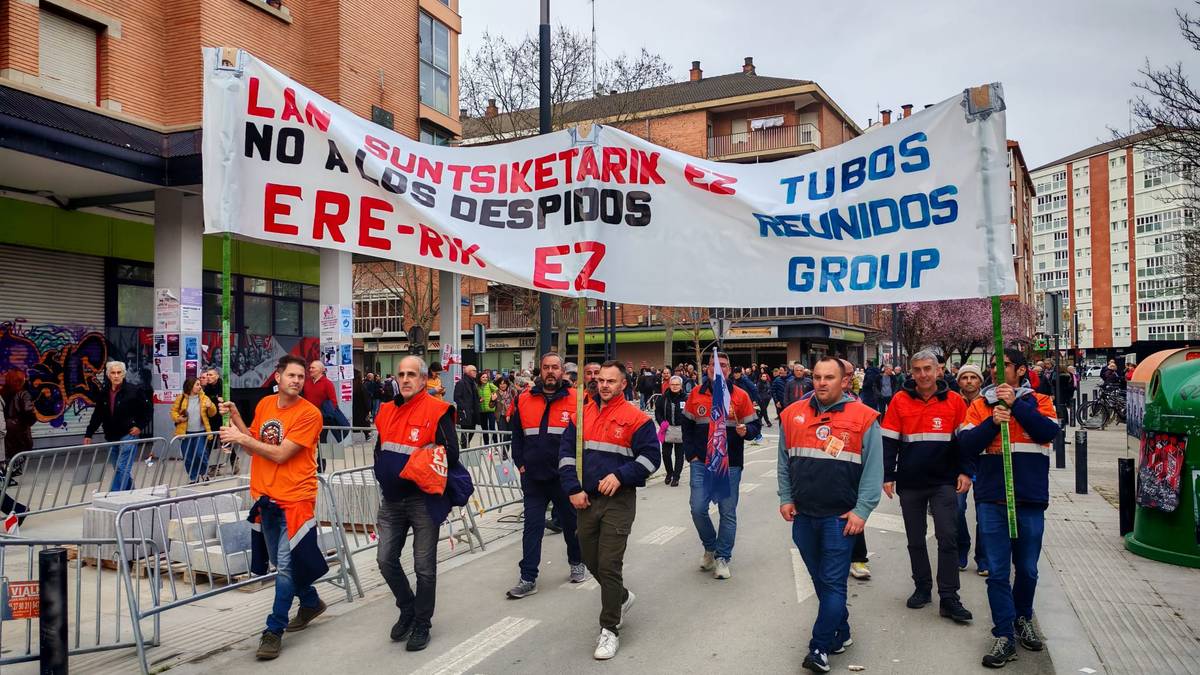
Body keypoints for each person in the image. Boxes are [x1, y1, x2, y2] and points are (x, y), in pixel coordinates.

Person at [777, 357, 883, 673]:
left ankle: (819, 648)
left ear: (844, 381)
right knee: (821, 581)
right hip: (804, 517)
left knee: (833, 583)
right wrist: (785, 498)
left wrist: (861, 511)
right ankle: (842, 631)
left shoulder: (865, 418)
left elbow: (873, 471)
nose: (822, 383)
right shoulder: (790, 414)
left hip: (840, 519)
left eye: (829, 377)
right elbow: (784, 461)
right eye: (817, 377)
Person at [216, 355, 326, 661]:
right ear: (277, 377)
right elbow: (254, 440)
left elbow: (279, 455)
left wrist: (239, 437)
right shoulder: (265, 405)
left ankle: (273, 630)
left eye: (301, 377)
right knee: (283, 565)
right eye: (291, 375)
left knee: (286, 568)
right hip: (266, 498)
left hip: (295, 500)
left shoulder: (309, 414)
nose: (296, 381)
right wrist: (237, 418)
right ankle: (311, 601)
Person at [958, 349, 1059, 668]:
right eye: (991, 366)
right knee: (998, 572)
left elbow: (1049, 433)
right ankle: (1003, 633)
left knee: (1027, 568)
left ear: (1021, 370)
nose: (994, 371)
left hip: (1029, 498)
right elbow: (966, 445)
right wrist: (992, 422)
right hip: (992, 498)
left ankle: (1022, 617)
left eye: (1003, 366)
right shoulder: (978, 405)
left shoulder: (1040, 401)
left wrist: (1016, 406)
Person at [559, 360, 660, 660]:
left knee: (608, 565)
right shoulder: (581, 414)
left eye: (610, 381)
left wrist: (621, 475)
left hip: (619, 501)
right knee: (590, 561)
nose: (603, 385)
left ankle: (609, 629)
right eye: (600, 380)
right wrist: (573, 489)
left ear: (623, 384)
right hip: (586, 500)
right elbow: (565, 455)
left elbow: (651, 459)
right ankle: (623, 597)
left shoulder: (637, 419)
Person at [369, 355, 460, 652]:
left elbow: (452, 454)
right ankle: (407, 607)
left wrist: (420, 464)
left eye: (412, 374)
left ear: (423, 380)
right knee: (385, 560)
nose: (406, 379)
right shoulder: (385, 410)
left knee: (424, 567)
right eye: (401, 374)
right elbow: (380, 447)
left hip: (422, 500)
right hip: (392, 501)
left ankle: (422, 622)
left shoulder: (437, 409)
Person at [880, 351, 973, 624]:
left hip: (944, 481)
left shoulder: (955, 401)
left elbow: (965, 442)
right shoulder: (899, 400)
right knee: (915, 539)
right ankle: (922, 587)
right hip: (911, 482)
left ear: (938, 371)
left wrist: (967, 472)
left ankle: (949, 597)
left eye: (928, 369)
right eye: (917, 370)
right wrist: (888, 475)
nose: (923, 375)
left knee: (947, 537)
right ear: (911, 372)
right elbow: (889, 441)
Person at [506, 353, 586, 599]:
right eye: (546, 367)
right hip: (533, 477)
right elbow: (517, 435)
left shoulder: (578, 399)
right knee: (532, 527)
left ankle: (577, 562)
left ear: (563, 370)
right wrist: (520, 463)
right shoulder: (524, 399)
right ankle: (528, 577)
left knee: (572, 524)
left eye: (555, 367)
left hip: (564, 477)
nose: (550, 371)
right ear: (539, 371)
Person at [681, 351, 760, 579]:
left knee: (727, 512)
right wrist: (691, 455)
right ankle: (710, 546)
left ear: (729, 369)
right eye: (714, 365)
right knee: (697, 508)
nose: (719, 369)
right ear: (707, 369)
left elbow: (755, 428)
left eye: (723, 366)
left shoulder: (741, 396)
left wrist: (747, 432)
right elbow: (686, 426)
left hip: (731, 463)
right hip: (701, 462)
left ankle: (723, 557)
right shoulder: (695, 394)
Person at [84, 361, 151, 492]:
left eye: (119, 373)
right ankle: (131, 492)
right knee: (118, 468)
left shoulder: (134, 390)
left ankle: (114, 495)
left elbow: (148, 410)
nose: (116, 376)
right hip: (111, 435)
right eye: (113, 373)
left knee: (122, 467)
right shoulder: (104, 393)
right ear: (108, 375)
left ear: (124, 374)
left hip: (129, 434)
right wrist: (89, 433)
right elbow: (98, 414)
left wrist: (140, 426)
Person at [955, 364, 988, 576]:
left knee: (984, 513)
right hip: (958, 464)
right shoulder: (952, 402)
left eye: (973, 377)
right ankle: (961, 547)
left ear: (980, 381)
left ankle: (983, 557)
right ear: (959, 382)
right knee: (957, 509)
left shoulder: (988, 403)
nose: (969, 381)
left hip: (984, 463)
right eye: (964, 377)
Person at [172, 377, 218, 484]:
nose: (199, 387)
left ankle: (204, 473)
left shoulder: (204, 398)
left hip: (201, 432)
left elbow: (213, 413)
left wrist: (210, 406)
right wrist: (178, 418)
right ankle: (194, 477)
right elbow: (173, 411)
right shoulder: (181, 398)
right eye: (197, 384)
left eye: (199, 384)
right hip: (185, 433)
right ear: (190, 386)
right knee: (188, 456)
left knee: (201, 453)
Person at [655, 375, 688, 486]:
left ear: (681, 386)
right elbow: (657, 412)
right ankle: (669, 473)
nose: (675, 387)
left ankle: (676, 476)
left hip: (681, 430)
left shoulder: (686, 398)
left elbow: (690, 414)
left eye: (677, 384)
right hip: (667, 430)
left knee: (679, 455)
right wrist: (662, 423)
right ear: (669, 385)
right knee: (666, 454)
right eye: (673, 384)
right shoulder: (663, 398)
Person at [2, 370, 36, 468]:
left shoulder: (2, 393)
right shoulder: (23, 393)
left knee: (7, 454)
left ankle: (6, 475)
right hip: (19, 429)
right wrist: (28, 423)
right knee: (20, 454)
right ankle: (11, 474)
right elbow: (29, 411)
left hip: (5, 427)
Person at [453, 365, 481, 447]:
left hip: (473, 411)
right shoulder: (461, 383)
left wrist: (478, 399)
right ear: (468, 372)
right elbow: (456, 397)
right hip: (465, 411)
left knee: (473, 429)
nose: (476, 372)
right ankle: (464, 446)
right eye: (474, 370)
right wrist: (464, 407)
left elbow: (474, 396)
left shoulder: (473, 383)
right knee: (464, 430)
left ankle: (466, 443)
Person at [478, 371, 499, 445]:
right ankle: (486, 445)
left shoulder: (490, 385)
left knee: (492, 428)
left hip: (490, 410)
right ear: (479, 378)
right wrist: (479, 400)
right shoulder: (477, 386)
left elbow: (498, 391)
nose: (485, 378)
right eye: (483, 377)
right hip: (481, 411)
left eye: (486, 377)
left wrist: (494, 397)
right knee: (484, 429)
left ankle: (496, 445)